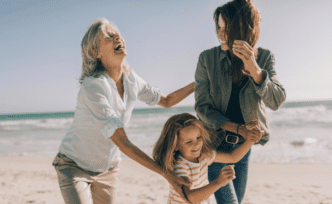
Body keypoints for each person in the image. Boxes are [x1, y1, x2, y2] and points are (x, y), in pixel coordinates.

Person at [52, 18, 194, 204]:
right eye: (109, 36)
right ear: (95, 51)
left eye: (118, 34)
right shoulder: (93, 87)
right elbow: (122, 141)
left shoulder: (131, 80)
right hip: (73, 165)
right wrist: (166, 174)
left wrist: (198, 83)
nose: (118, 36)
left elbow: (167, 101)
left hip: (107, 170)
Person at [194, 0, 286, 203]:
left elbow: (276, 100)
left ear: (243, 28)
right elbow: (202, 108)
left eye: (226, 29)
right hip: (214, 146)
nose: (220, 35)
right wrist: (238, 128)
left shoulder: (265, 58)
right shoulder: (206, 59)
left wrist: (254, 70)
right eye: (218, 28)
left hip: (244, 147)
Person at [152, 113, 261, 204]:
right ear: (175, 145)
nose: (196, 145)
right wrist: (218, 182)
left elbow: (233, 157)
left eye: (198, 137)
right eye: (189, 142)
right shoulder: (179, 166)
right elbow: (191, 197)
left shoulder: (204, 155)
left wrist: (251, 140)